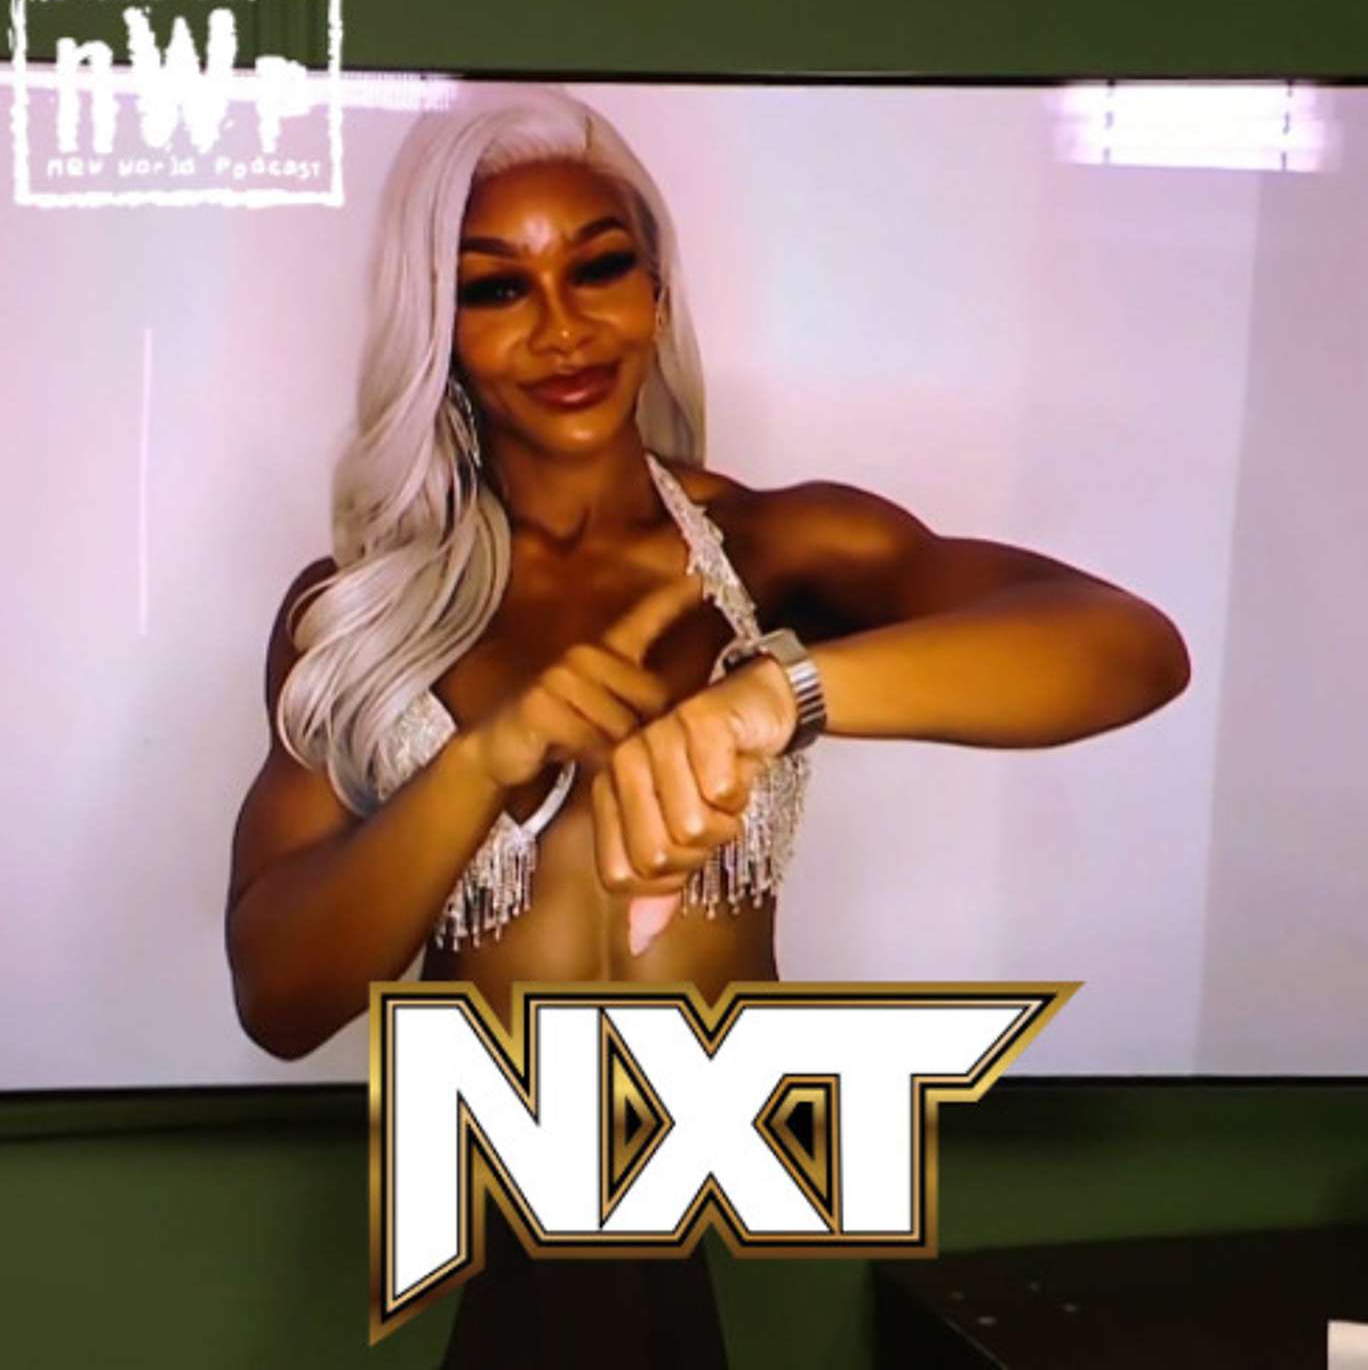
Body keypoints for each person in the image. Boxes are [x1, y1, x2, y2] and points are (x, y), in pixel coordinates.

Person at [224, 84, 1191, 1367]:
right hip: (509, 1270)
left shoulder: (776, 548)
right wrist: (482, 761)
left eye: (599, 267)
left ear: (657, 291)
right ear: (438, 326)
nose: (563, 326)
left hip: (689, 1255)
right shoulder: (361, 612)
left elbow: (1128, 647)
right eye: (498, 286)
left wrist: (776, 693)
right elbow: (279, 994)